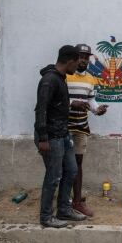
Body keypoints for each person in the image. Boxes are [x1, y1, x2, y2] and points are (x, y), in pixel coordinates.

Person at [34, 45, 87, 228]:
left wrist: (73, 104)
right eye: (77, 62)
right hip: (51, 137)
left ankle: (64, 209)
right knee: (53, 176)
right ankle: (46, 217)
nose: (78, 66)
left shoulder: (61, 79)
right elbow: (41, 109)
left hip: (63, 134)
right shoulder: (49, 80)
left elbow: (57, 105)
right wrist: (42, 138)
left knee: (71, 170)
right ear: (70, 61)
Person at [67, 43, 109, 217]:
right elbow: (58, 100)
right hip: (65, 127)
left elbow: (91, 102)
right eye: (80, 56)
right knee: (64, 166)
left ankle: (76, 201)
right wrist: (72, 103)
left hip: (81, 127)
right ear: (74, 58)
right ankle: (64, 201)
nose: (83, 60)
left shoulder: (90, 79)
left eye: (86, 57)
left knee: (77, 165)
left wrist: (97, 110)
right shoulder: (65, 76)